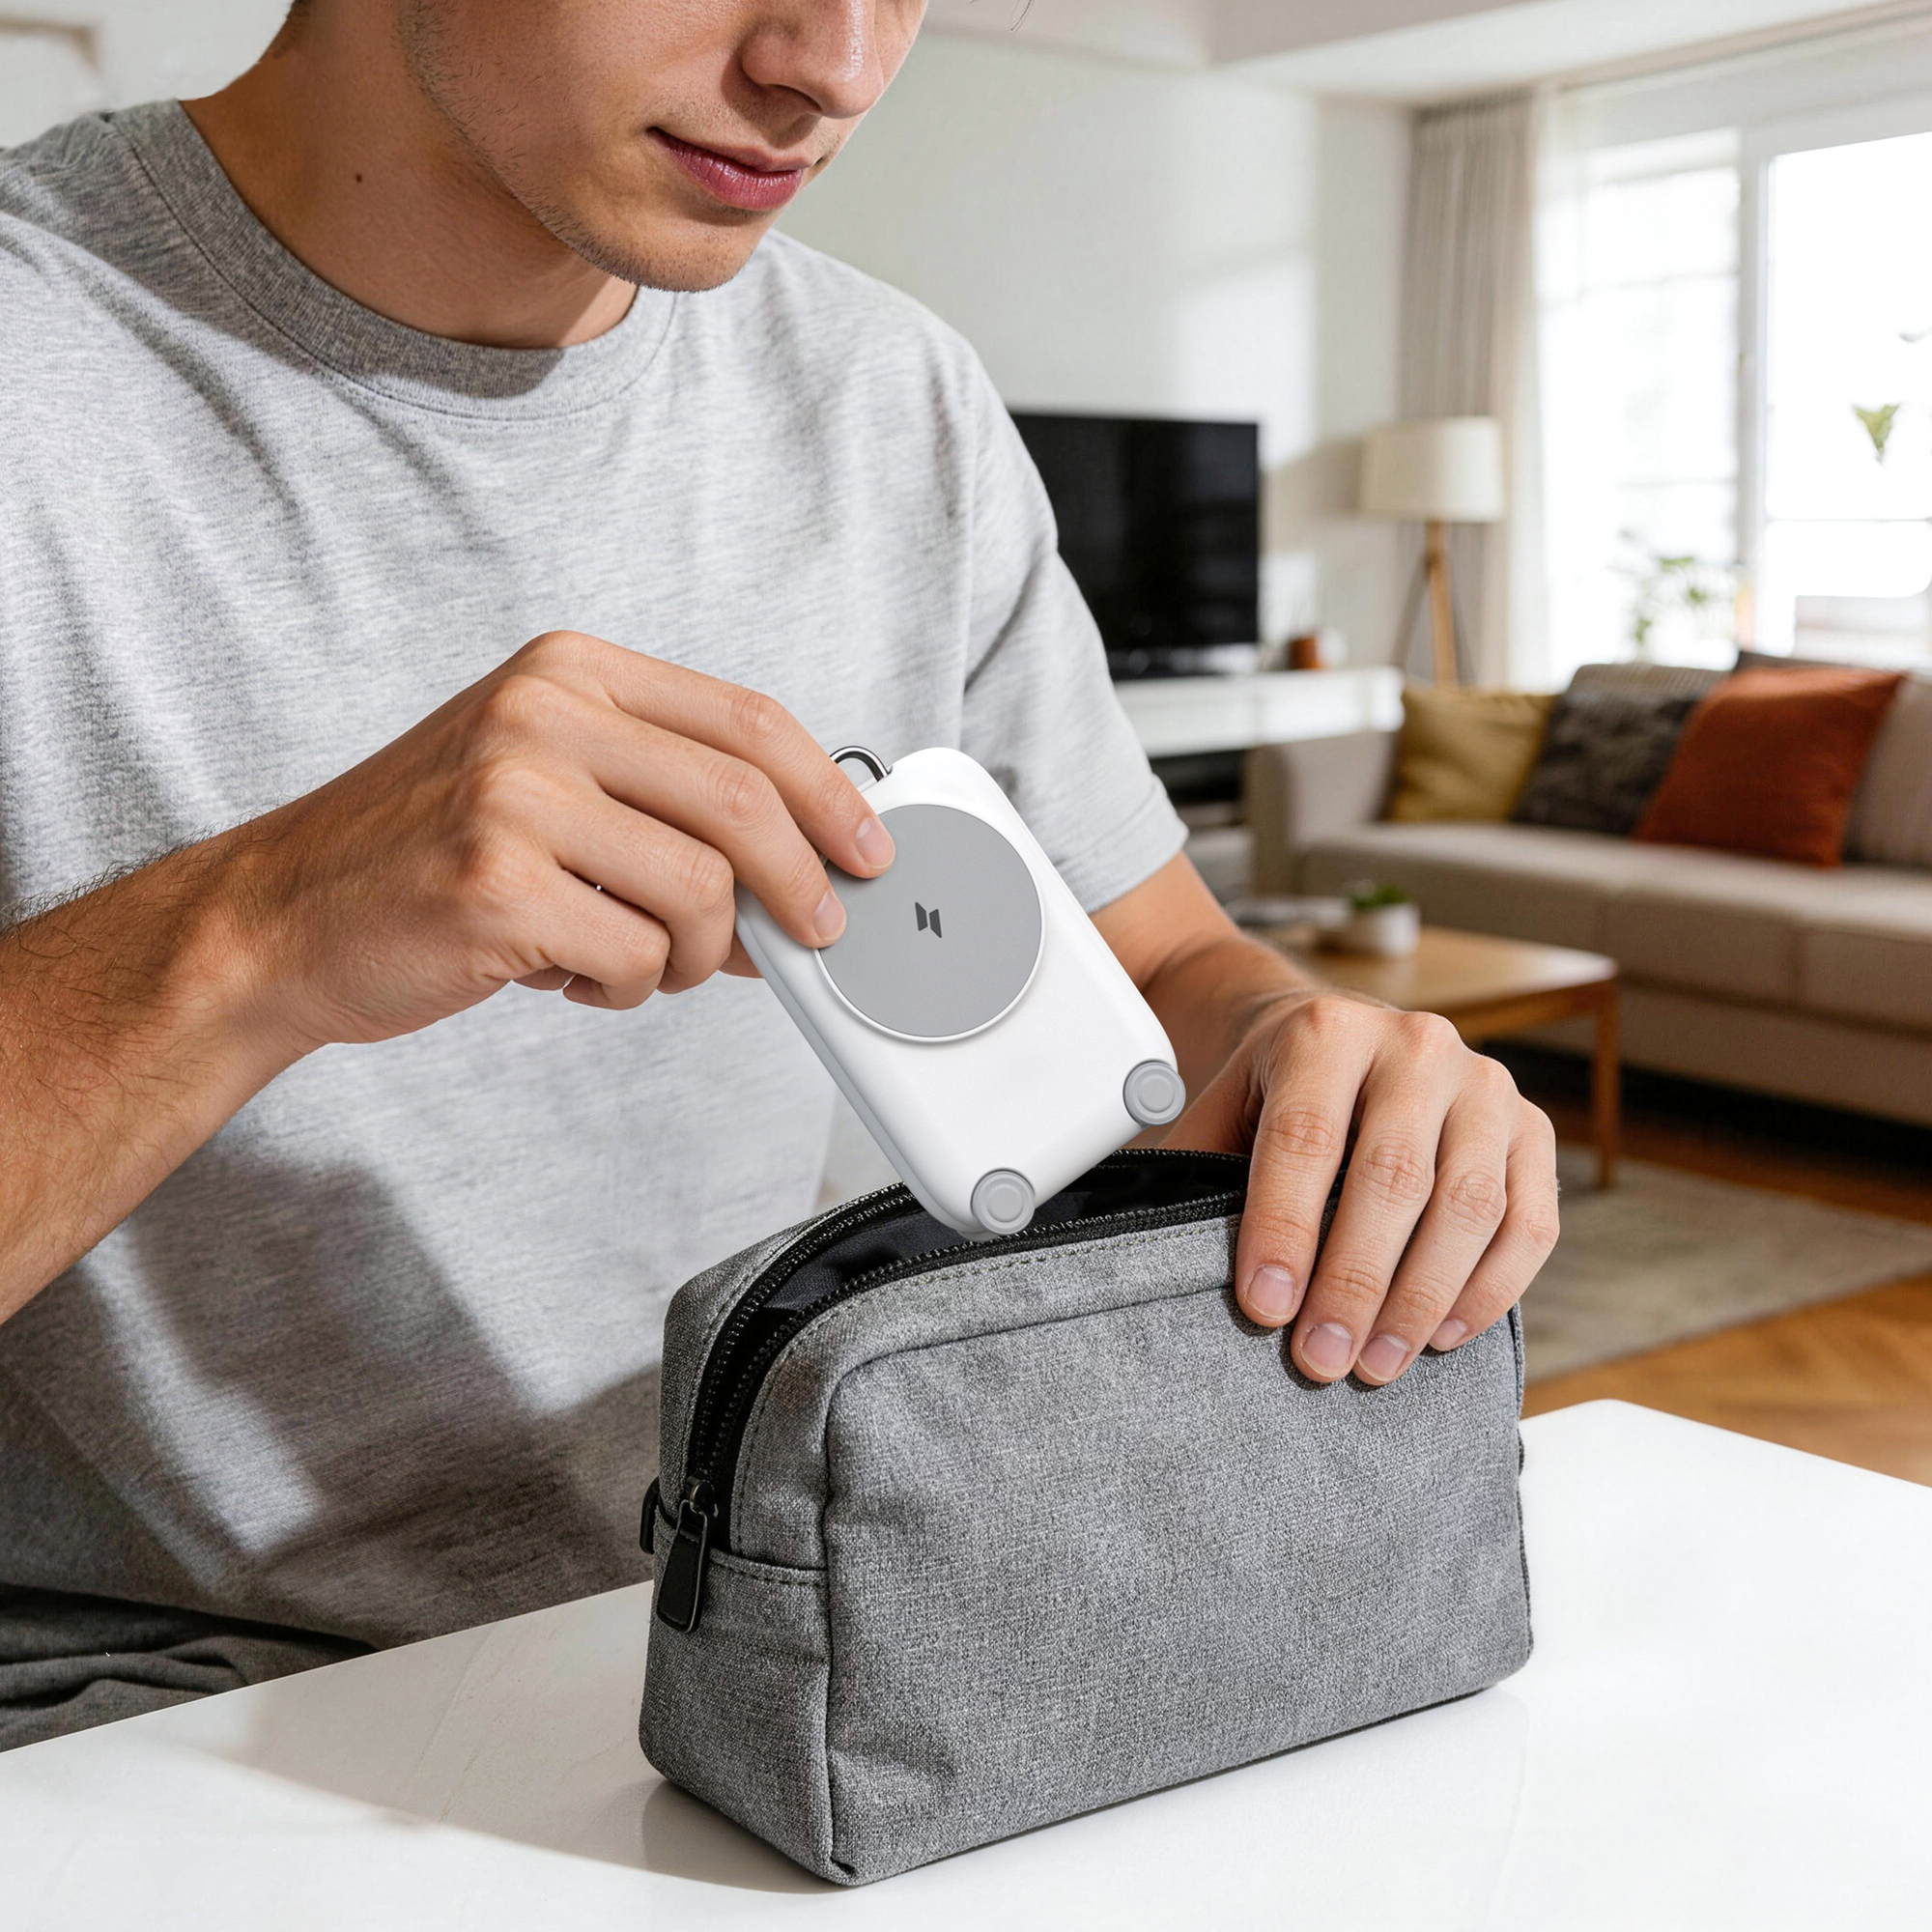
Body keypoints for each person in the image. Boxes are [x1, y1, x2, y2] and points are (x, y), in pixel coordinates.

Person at [0, 0, 1559, 1748]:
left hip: (770, 1637)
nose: (837, 67)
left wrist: (1316, 1068)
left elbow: (1166, 979)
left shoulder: (896, 399)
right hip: (147, 1718)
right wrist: (255, 932)